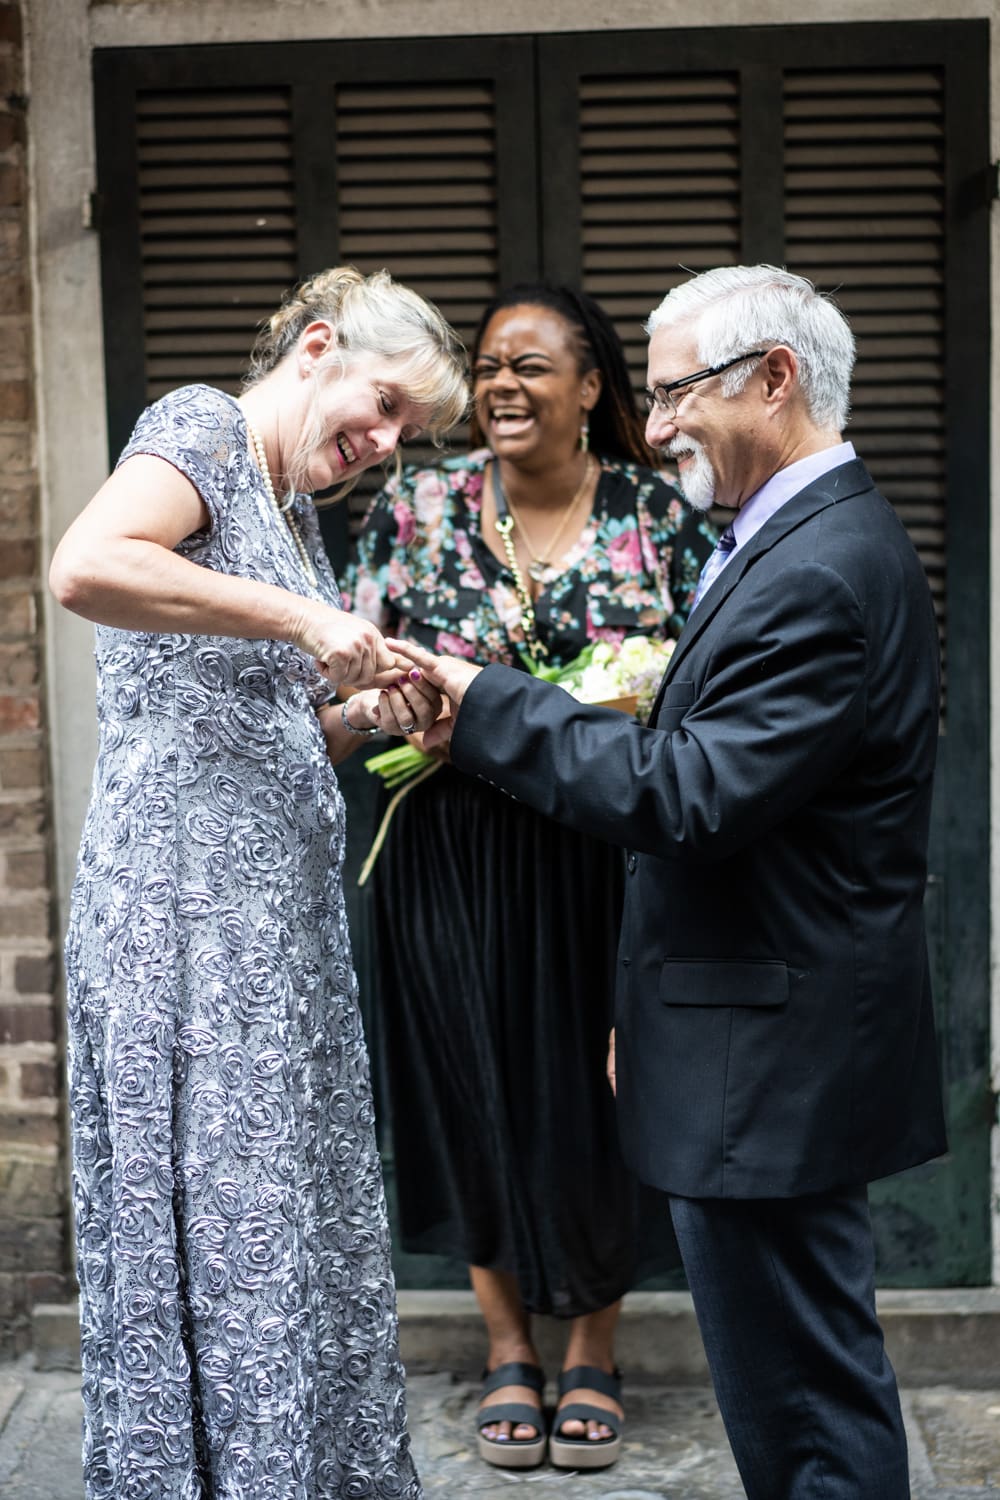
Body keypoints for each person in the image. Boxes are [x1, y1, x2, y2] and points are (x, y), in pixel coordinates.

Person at [389, 265, 947, 1499]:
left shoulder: (819, 569)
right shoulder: (792, 537)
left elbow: (687, 795)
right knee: (790, 1387)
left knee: (805, 1401)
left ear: (776, 378)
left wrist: (487, 702)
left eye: (679, 389)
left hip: (775, 1050)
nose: (658, 424)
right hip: (744, 1025)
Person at [48, 267, 467, 1500]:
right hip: (184, 912)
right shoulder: (197, 427)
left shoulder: (294, 512)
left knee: (279, 1211)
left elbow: (246, 715)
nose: (384, 445)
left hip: (274, 923)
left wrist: (359, 713)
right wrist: (296, 621)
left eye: (404, 433)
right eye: (383, 407)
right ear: (318, 347)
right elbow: (86, 565)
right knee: (219, 1204)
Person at [344, 283, 714, 1471]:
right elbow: (344, 675)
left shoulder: (659, 518)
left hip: (608, 849)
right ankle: (506, 1343)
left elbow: (710, 692)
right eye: (489, 366)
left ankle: (593, 1348)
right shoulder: (417, 508)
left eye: (533, 367)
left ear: (593, 388)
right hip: (448, 848)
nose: (502, 385)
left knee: (603, 1093)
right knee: (472, 1079)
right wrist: (381, 706)